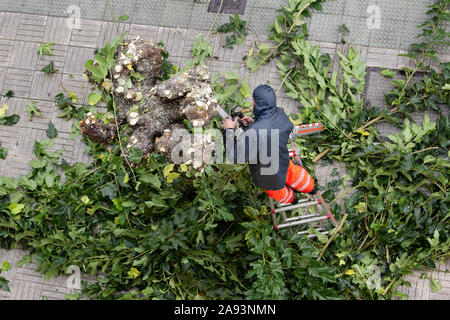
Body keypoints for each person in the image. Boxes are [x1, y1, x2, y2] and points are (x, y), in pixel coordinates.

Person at [222, 84, 317, 205]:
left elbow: (235, 157)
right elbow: (271, 128)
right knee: (296, 175)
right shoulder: (280, 113)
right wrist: (255, 122)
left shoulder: (254, 132)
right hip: (283, 161)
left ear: (255, 102)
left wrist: (229, 130)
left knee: (278, 191)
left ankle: (292, 199)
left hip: (268, 176)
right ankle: (311, 188)